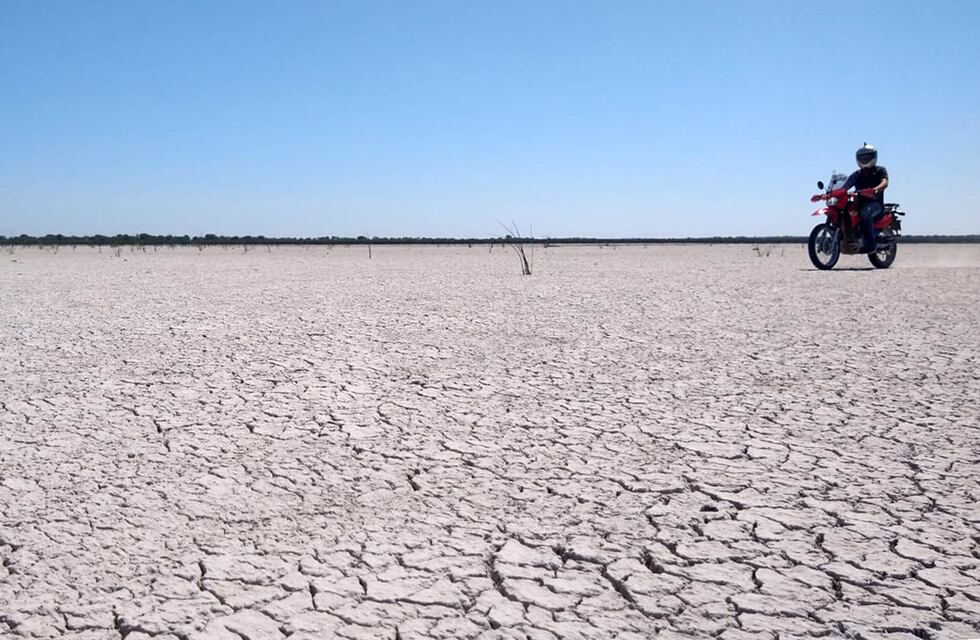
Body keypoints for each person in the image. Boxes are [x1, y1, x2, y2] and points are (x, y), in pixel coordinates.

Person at [841, 144, 889, 253]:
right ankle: (848, 238)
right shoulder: (856, 174)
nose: (864, 159)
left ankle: (871, 245)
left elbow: (885, 182)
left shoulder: (880, 170)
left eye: (867, 157)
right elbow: (845, 187)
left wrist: (876, 189)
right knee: (843, 211)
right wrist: (834, 193)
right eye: (862, 158)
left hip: (875, 204)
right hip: (859, 202)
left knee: (864, 213)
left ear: (873, 157)